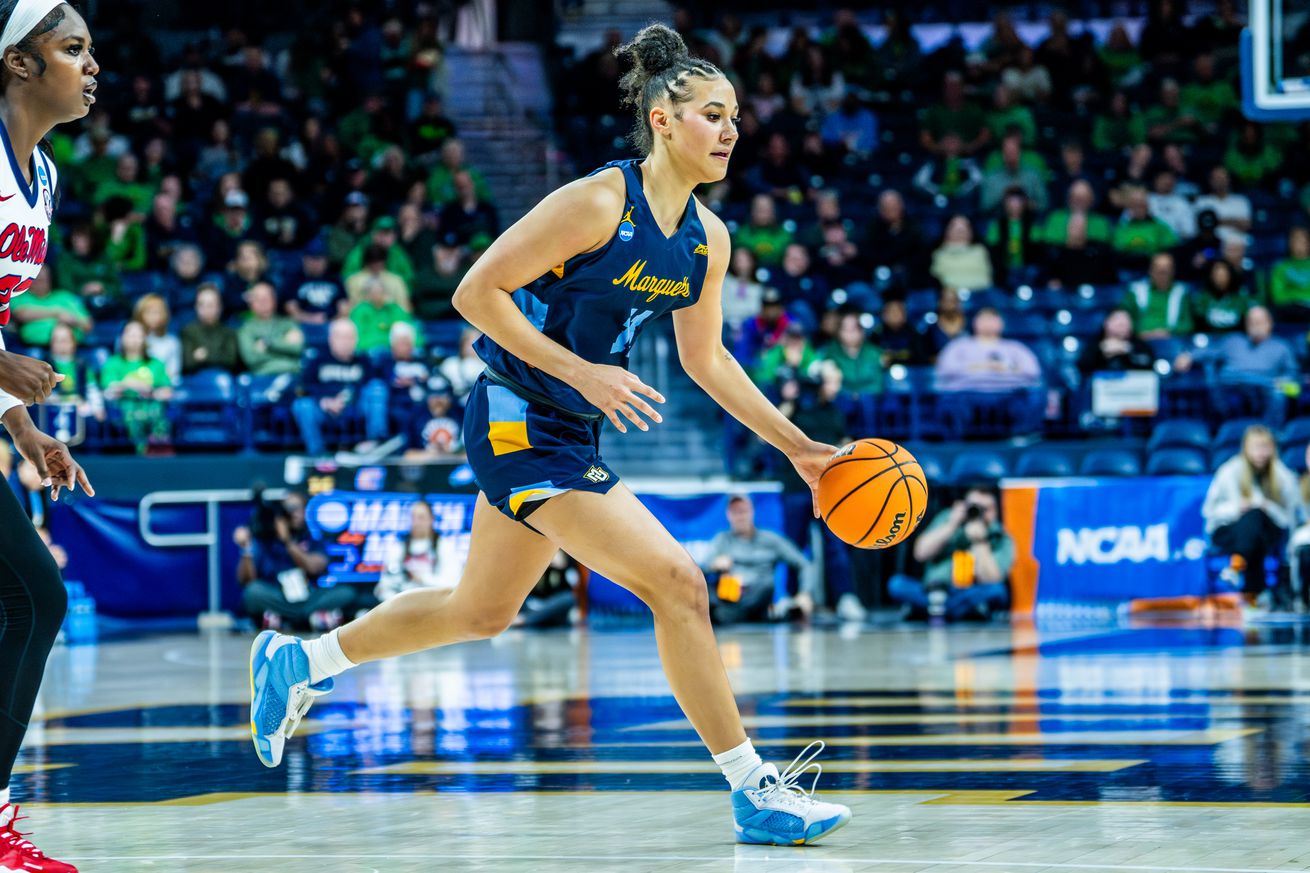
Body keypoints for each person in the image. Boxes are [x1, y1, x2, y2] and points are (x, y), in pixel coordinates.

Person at [248, 24, 851, 847]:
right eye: (713, 114)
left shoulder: (710, 239)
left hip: (570, 426)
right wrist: (583, 370)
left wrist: (800, 447)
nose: (730, 130)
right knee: (678, 582)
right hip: (516, 416)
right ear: (663, 120)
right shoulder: (599, 201)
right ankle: (754, 789)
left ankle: (301, 661)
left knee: (481, 611)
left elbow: (706, 360)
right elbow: (474, 293)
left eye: (736, 117)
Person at [0, 5, 99, 870]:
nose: (90, 65)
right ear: (18, 63)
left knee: (35, 599)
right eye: (72, 49)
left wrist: (27, 429)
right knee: (33, 599)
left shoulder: (44, 176)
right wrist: (3, 365)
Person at [235, 490, 358, 630]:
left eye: (298, 508)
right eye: (290, 509)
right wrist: (246, 549)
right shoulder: (266, 541)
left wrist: (287, 542)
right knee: (253, 592)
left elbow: (313, 567)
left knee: (347, 593)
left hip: (310, 597)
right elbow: (245, 580)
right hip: (279, 596)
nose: (295, 513)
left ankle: (283, 619)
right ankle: (308, 619)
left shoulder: (313, 539)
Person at [889, 486, 1013, 621]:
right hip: (934, 590)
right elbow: (920, 553)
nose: (978, 513)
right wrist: (951, 525)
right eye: (974, 507)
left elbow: (992, 579)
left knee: (997, 591)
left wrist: (980, 542)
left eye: (985, 509)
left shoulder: (1000, 537)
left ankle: (932, 609)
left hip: (968, 591)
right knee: (897, 584)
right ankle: (958, 610)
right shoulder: (948, 518)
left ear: (995, 511)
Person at [1203, 425, 1298, 601]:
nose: (1261, 452)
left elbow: (1288, 517)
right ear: (1245, 448)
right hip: (1228, 531)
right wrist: (1236, 508)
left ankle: (1236, 566)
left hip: (1266, 532)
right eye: (1256, 447)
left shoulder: (1283, 475)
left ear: (1272, 448)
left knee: (1255, 520)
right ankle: (1254, 597)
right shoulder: (1228, 471)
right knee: (1251, 526)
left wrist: (1266, 506)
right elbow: (1209, 511)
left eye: (1265, 447)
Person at [701, 494, 812, 624]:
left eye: (743, 511)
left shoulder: (770, 539)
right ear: (728, 515)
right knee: (704, 590)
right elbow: (702, 568)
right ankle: (731, 614)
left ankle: (728, 615)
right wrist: (714, 564)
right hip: (729, 596)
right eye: (735, 512)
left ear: (752, 511)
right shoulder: (722, 540)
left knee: (766, 585)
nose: (740, 516)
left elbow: (803, 563)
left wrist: (805, 593)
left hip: (759, 595)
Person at [934, 308, 1041, 391]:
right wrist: (986, 366)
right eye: (984, 319)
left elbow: (1032, 371)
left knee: (1033, 397)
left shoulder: (1015, 347)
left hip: (1009, 394)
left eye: (992, 319)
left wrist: (1003, 367)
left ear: (1001, 324)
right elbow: (945, 371)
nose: (988, 322)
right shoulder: (958, 345)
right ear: (975, 322)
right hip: (967, 393)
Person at [374, 500, 460, 602]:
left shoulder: (444, 546)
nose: (416, 522)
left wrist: (422, 579)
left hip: (435, 605)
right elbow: (384, 586)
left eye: (421, 517)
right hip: (401, 607)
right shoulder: (398, 548)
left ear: (431, 519)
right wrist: (395, 604)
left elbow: (453, 584)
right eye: (413, 517)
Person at [180, 283, 239, 374]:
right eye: (201, 305)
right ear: (196, 307)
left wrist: (203, 356)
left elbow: (231, 361)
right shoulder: (187, 331)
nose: (206, 309)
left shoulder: (228, 332)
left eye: (210, 305)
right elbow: (187, 364)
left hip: (223, 378)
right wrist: (218, 355)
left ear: (219, 307)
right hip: (194, 380)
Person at [1077, 309, 1154, 375]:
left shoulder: (1140, 346)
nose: (1122, 323)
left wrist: (1127, 350)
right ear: (1106, 323)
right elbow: (1083, 367)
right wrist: (1102, 352)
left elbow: (1148, 365)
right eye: (1117, 319)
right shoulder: (1094, 345)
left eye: (1126, 320)